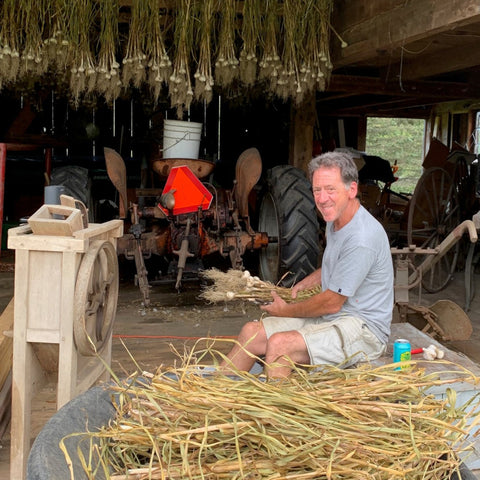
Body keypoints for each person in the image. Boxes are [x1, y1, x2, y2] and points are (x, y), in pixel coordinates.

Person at [221, 151, 394, 378]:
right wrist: (311, 279)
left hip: (364, 330)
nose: (322, 198)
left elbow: (331, 302)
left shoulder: (362, 237)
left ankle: (270, 412)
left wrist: (286, 311)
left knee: (281, 345)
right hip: (336, 317)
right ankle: (212, 397)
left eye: (330, 189)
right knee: (251, 332)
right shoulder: (336, 218)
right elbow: (342, 265)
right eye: (317, 190)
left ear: (352, 190)